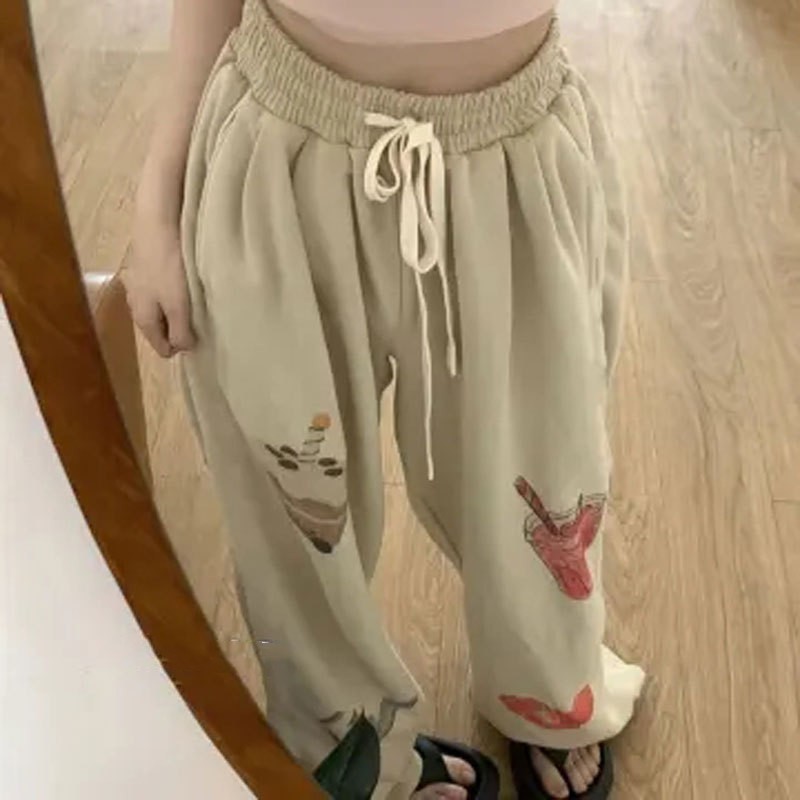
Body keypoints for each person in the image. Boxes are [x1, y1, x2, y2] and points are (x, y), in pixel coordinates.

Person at [125, 1, 645, 798]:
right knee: (291, 516)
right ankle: (341, 736)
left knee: (544, 477)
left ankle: (548, 688)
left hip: (513, 153)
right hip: (281, 149)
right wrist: (157, 197)